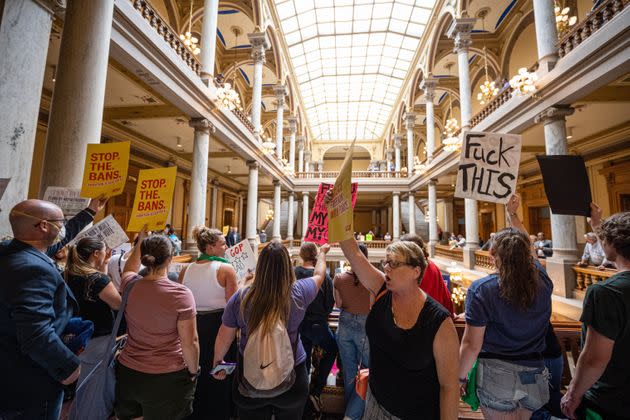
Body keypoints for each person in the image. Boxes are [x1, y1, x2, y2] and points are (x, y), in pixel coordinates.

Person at [212, 241, 330, 419]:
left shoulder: (241, 297)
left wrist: (217, 362)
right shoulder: (298, 292)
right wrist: (321, 253)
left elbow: (224, 337)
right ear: (287, 266)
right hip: (292, 379)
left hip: (249, 380)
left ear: (261, 265)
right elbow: (319, 275)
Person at [459, 195, 552, 420]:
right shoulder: (543, 280)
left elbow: (472, 344)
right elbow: (527, 246)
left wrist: (459, 377)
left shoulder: (482, 289)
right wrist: (512, 215)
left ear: (492, 255)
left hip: (497, 373)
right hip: (536, 372)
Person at [0, 200, 83, 419]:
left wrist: (90, 211)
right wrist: (68, 368)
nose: (63, 227)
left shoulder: (11, 251)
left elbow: (54, 244)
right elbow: (36, 334)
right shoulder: (33, 269)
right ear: (43, 226)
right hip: (30, 382)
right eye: (60, 222)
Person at [115, 232, 199, 420]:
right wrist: (193, 372)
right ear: (170, 259)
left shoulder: (129, 284)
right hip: (166, 374)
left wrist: (141, 241)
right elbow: (190, 342)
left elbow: (129, 268)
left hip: (129, 372)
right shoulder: (180, 294)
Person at [561, 207, 630, 420]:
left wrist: (573, 395)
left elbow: (594, 359)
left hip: (613, 401)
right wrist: (596, 225)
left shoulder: (606, 293)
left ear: (613, 245)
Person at [179, 226, 238, 420]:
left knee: (194, 371)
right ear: (211, 247)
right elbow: (233, 306)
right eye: (222, 244)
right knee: (219, 375)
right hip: (219, 328)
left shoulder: (185, 269)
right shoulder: (226, 269)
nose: (226, 247)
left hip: (191, 328)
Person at [65, 237, 122, 383]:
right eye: (104, 251)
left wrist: (105, 263)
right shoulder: (98, 280)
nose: (106, 254)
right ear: (96, 254)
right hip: (98, 336)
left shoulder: (68, 273)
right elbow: (118, 304)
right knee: (94, 380)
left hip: (75, 333)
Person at [295, 242, 337, 413]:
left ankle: (302, 396)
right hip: (318, 324)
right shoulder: (324, 277)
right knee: (333, 349)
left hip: (299, 323)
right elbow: (330, 302)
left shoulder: (294, 273)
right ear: (315, 256)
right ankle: (317, 388)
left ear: (301, 255)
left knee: (303, 359)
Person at [333, 243, 372, 420]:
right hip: (365, 326)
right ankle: (352, 415)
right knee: (368, 372)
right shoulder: (373, 280)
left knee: (349, 373)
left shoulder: (339, 278)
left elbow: (339, 305)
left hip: (345, 325)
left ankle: (350, 412)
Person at [401, 233, 455, 314]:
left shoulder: (411, 270)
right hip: (437, 317)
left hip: (423, 320)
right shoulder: (432, 265)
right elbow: (446, 296)